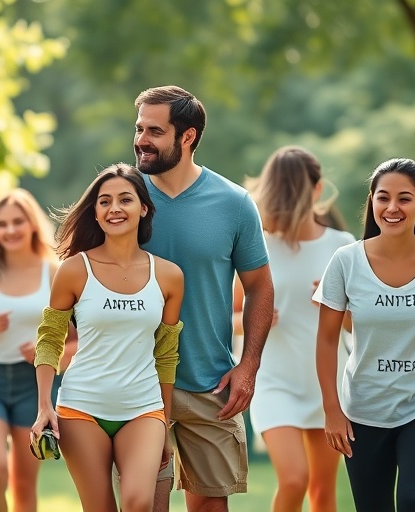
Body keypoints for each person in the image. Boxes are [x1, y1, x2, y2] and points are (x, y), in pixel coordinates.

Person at [130, 85, 274, 511]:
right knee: (145, 505)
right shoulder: (122, 196)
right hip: (136, 383)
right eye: (138, 128)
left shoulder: (233, 203)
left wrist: (247, 366)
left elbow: (261, 287)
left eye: (154, 131)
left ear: (187, 137)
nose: (141, 139)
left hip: (210, 384)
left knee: (211, 507)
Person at [313, 157, 415, 512]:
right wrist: (332, 410)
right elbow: (327, 340)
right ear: (371, 201)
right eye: (383, 197)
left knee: (412, 502)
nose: (392, 207)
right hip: (364, 406)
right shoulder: (346, 261)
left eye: (404, 198)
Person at [30, 163, 184, 512]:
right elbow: (50, 341)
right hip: (81, 408)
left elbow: (167, 355)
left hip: (143, 409)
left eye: (125, 199)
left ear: (143, 208)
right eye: (104, 202)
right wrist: (44, 407)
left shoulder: (170, 276)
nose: (114, 208)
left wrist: (165, 422)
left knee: (137, 503)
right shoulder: (73, 270)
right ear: (96, 213)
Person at [239, 147, 355, 512]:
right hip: (275, 383)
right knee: (293, 480)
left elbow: (360, 325)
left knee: (322, 493)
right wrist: (254, 319)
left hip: (328, 388)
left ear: (317, 190)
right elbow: (230, 315)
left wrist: (335, 308)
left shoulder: (344, 247)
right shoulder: (258, 246)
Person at [0, 188, 78, 512]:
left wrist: (50, 354)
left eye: (18, 221)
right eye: (2, 224)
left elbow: (76, 339)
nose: (10, 230)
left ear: (32, 223)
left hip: (33, 385)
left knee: (23, 483)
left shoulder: (54, 271)